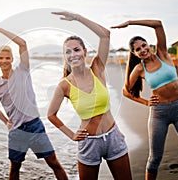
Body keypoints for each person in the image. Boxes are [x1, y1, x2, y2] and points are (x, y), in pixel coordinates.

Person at [47, 11, 132, 180]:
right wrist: (71, 134)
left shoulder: (97, 69)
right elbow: (51, 115)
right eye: (68, 52)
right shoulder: (64, 85)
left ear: (85, 52)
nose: (73, 55)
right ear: (65, 57)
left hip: (113, 137)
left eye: (77, 50)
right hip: (89, 143)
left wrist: (77, 18)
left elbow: (105, 35)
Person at [111, 19, 178, 180]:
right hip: (159, 113)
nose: (143, 50)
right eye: (138, 49)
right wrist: (146, 102)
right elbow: (126, 91)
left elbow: (158, 24)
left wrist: (130, 22)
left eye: (144, 45)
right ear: (135, 54)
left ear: (149, 45)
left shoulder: (163, 54)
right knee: (154, 158)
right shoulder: (139, 69)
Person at [0, 24, 68, 180]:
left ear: (12, 59)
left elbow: (22, 44)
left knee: (54, 163)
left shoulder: (23, 71)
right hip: (16, 131)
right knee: (15, 168)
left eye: (7, 58)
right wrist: (6, 121)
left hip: (35, 125)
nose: (4, 61)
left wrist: (0, 30)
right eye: (1, 58)